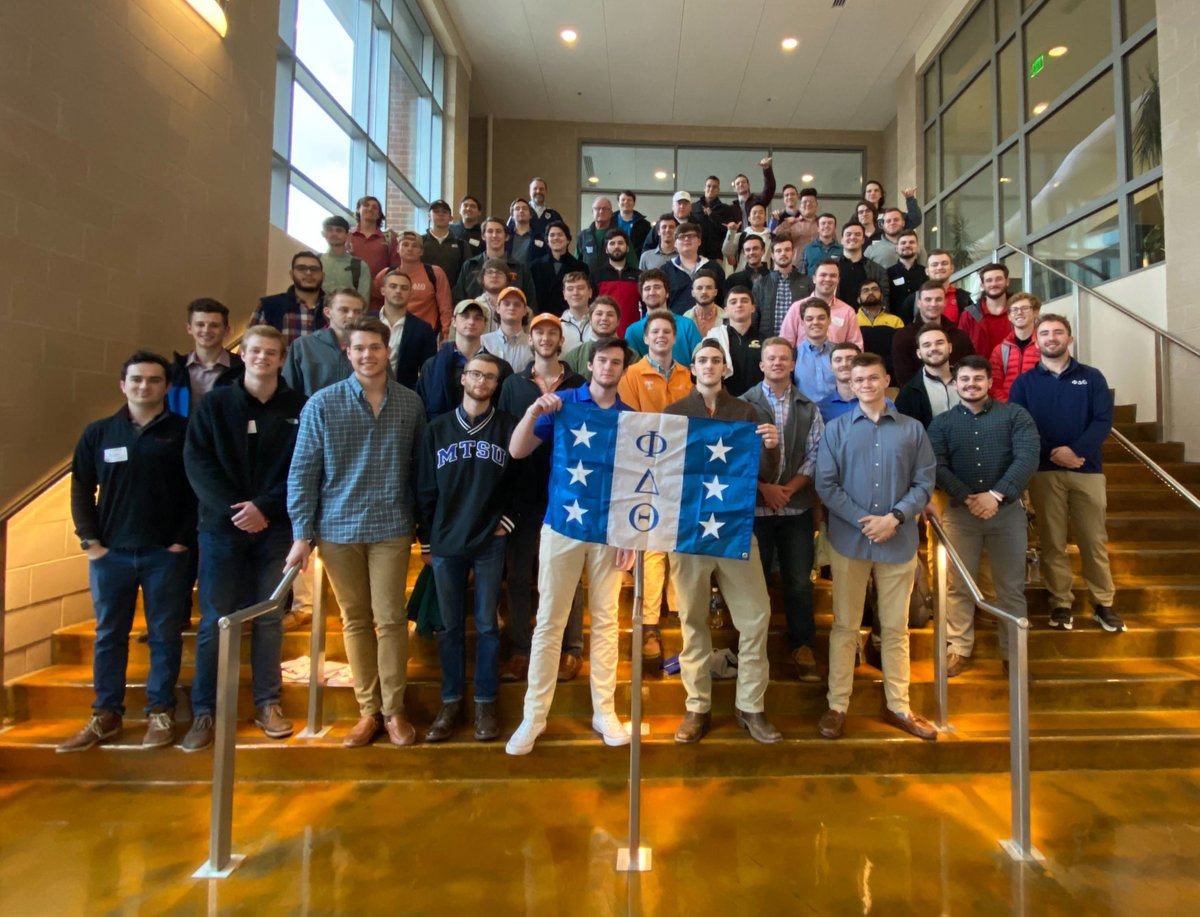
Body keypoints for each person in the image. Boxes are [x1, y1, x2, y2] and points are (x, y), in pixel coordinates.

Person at [285, 316, 427, 748]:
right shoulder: (322, 404)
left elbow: (419, 469)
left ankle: (394, 710)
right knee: (356, 620)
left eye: (375, 348)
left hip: (392, 525)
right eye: (359, 348)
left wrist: (423, 526)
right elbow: (303, 471)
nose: (368, 355)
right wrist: (301, 533)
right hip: (337, 528)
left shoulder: (410, 404)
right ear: (348, 353)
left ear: (388, 352)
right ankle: (369, 711)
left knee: (391, 618)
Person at [505, 339, 637, 755]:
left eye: (616, 362)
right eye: (603, 360)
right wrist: (533, 412)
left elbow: (636, 481)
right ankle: (534, 716)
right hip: (562, 525)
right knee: (550, 622)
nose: (609, 367)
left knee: (607, 622)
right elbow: (517, 450)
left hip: (609, 531)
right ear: (591, 364)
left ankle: (604, 711)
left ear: (623, 370)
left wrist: (630, 535)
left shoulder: (629, 417)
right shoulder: (563, 404)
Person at [61, 352, 195, 752]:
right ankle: (106, 714)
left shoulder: (183, 432)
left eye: (153, 380)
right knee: (109, 636)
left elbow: (196, 489)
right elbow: (81, 488)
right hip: (111, 555)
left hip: (164, 555)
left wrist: (181, 540)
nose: (144, 386)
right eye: (136, 379)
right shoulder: (99, 433)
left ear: (166, 387)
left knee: (164, 636)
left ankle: (160, 711)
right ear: (123, 385)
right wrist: (90, 541)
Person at [181, 325, 306, 751]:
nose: (262, 358)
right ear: (244, 355)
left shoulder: (299, 407)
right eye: (255, 351)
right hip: (221, 530)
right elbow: (197, 463)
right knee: (216, 619)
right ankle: (205, 711)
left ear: (281, 358)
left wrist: (264, 508)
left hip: (276, 530)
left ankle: (268, 703)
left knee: (269, 618)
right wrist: (237, 511)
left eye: (271, 352)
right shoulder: (216, 404)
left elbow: (303, 467)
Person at [814, 352, 938, 741]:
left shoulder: (912, 430)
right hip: (850, 542)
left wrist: (895, 518)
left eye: (873, 378)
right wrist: (864, 520)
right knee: (845, 626)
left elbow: (924, 482)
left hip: (898, 541)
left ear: (887, 381)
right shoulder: (835, 430)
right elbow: (826, 484)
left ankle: (899, 704)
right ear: (850, 385)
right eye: (859, 380)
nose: (866, 385)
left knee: (896, 628)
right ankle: (837, 704)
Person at [665, 340, 783, 744]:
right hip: (688, 530)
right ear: (693, 368)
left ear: (725, 368)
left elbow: (763, 471)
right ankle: (697, 707)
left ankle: (751, 705)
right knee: (692, 620)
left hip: (735, 527)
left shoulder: (746, 412)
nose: (709, 365)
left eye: (716, 360)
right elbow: (662, 469)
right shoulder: (675, 412)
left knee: (756, 616)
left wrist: (771, 447)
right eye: (702, 360)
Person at [415, 352, 520, 743]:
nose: (481, 381)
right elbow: (424, 488)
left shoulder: (508, 427)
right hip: (446, 540)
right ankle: (451, 701)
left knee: (489, 625)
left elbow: (523, 480)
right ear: (463, 378)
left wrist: (508, 520)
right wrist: (426, 539)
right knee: (450, 626)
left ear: (496, 385)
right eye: (475, 374)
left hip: (489, 541)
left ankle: (485, 702)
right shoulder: (437, 429)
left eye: (489, 377)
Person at [1010, 314, 1123, 632]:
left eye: (1058, 332)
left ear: (1069, 339)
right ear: (1036, 341)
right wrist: (1051, 453)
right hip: (1044, 472)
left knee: (1093, 540)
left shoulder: (1092, 378)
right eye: (1045, 333)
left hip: (1087, 470)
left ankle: (1103, 602)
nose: (1051, 338)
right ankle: (1061, 602)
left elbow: (1103, 420)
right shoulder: (1024, 383)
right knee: (1052, 541)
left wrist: (1075, 451)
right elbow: (1020, 425)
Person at [928, 356, 1040, 676]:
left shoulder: (1015, 416)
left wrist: (996, 494)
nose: (971, 384)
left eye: (978, 379)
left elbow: (1027, 457)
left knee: (1010, 587)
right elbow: (937, 464)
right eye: (964, 379)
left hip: (1007, 513)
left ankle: (1013, 653)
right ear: (955, 384)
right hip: (960, 514)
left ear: (990, 382)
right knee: (958, 585)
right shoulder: (941, 424)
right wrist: (967, 496)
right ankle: (959, 646)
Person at [497, 314, 588, 682]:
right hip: (524, 489)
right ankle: (521, 647)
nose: (546, 338)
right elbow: (505, 435)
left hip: (569, 491)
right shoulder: (512, 384)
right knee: (519, 574)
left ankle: (571, 648)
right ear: (530, 340)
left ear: (561, 340)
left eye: (553, 333)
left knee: (568, 574)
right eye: (539, 333)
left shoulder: (579, 383)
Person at [741, 337, 824, 682]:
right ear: (761, 365)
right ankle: (752, 648)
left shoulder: (808, 407)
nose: (777, 363)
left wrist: (789, 489)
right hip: (755, 511)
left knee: (799, 582)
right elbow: (736, 456)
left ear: (792, 364)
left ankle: (802, 645)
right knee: (753, 583)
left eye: (783, 358)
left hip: (796, 509)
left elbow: (816, 454)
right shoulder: (743, 404)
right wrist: (764, 489)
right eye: (770, 358)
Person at [618, 310, 695, 660]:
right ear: (646, 338)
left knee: (679, 543)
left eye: (667, 331)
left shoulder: (687, 375)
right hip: (646, 470)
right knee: (652, 545)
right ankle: (650, 623)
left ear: (675, 338)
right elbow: (630, 424)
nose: (661, 336)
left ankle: (680, 614)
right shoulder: (632, 375)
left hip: (681, 469)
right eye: (655, 331)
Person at [417, 300, 513, 419]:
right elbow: (421, 408)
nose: (471, 322)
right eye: (465, 316)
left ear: (485, 324)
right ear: (453, 321)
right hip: (440, 429)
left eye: (478, 318)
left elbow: (505, 411)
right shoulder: (432, 366)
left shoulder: (500, 368)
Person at [167, 298, 242, 418]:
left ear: (226, 331)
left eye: (214, 325)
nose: (206, 330)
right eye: (200, 324)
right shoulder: (173, 371)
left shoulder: (242, 370)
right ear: (189, 328)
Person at [891, 282, 976, 387]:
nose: (933, 304)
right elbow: (904, 379)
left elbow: (972, 369)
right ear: (919, 303)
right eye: (928, 299)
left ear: (945, 303)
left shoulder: (960, 337)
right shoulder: (903, 337)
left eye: (938, 299)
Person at [282, 288, 364, 396]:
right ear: (328, 312)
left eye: (357, 312)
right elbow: (288, 391)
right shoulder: (303, 346)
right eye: (344, 310)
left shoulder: (368, 348)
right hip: (312, 406)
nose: (351, 316)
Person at [454, 217, 538, 309]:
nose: (494, 235)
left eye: (498, 231)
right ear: (483, 236)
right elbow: (458, 300)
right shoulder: (470, 266)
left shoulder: (520, 268)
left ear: (506, 237)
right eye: (490, 231)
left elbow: (530, 304)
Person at [625, 269, 703, 366]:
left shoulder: (687, 325)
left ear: (667, 293)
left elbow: (701, 360)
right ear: (642, 296)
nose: (652, 292)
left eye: (657, 287)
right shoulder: (632, 331)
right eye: (647, 289)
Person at [250, 251, 328, 347]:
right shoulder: (269, 306)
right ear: (291, 274)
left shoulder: (333, 308)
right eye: (301, 268)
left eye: (314, 269)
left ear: (323, 276)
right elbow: (249, 346)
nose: (309, 273)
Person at [779, 260, 863, 347]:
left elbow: (856, 346)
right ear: (814, 279)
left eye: (833, 276)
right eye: (823, 275)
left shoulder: (848, 312)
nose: (827, 279)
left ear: (838, 280)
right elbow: (785, 344)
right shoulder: (797, 308)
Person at [379, 269, 439, 390]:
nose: (398, 291)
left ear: (411, 293)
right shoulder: (366, 321)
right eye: (393, 286)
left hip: (403, 393)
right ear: (383, 290)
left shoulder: (423, 329)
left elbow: (429, 371)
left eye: (404, 288)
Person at [895, 324, 961, 428]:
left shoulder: (969, 382)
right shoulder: (908, 394)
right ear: (919, 353)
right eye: (927, 345)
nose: (934, 348)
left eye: (939, 343)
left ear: (950, 348)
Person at [388, 231, 452, 336]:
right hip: (394, 333)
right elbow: (375, 302)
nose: (410, 249)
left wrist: (446, 334)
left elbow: (445, 308)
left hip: (427, 334)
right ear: (397, 249)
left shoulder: (435, 273)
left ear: (421, 251)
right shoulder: (386, 274)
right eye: (405, 245)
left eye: (415, 246)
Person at [706, 285, 764, 396]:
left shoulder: (765, 341)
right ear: (726, 311)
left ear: (753, 308)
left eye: (744, 301)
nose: (739, 305)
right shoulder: (714, 339)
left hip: (757, 402)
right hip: (724, 402)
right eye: (733, 302)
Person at [753, 236, 813, 337]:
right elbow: (754, 317)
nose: (783, 253)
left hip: (798, 341)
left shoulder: (807, 282)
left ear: (793, 253)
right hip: (768, 341)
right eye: (778, 251)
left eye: (787, 250)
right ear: (772, 255)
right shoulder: (760, 284)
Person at [663, 222, 727, 314]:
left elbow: (722, 298)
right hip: (677, 321)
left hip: (710, 320)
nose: (686, 239)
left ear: (699, 241)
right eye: (681, 236)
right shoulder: (665, 270)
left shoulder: (714, 267)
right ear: (675, 243)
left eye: (691, 236)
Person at [989, 292, 1042, 402]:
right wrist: (1009, 407)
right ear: (1009, 316)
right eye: (1014, 310)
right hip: (1008, 408)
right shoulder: (1000, 350)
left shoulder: (1045, 345)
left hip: (1039, 407)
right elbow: (994, 385)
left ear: (1035, 312)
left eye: (1025, 308)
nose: (1019, 312)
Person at [347, 196, 397, 309]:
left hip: (379, 299)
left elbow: (394, 269)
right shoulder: (347, 236)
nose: (370, 209)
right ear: (358, 209)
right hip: (351, 295)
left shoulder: (389, 239)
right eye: (366, 205)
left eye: (375, 207)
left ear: (379, 214)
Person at [530, 220, 588, 317]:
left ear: (568, 239)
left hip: (570, 318)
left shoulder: (581, 267)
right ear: (547, 241)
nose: (556, 238)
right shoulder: (535, 266)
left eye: (560, 235)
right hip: (542, 318)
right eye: (552, 235)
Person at [958, 262, 1014, 360]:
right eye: (989, 280)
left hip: (1013, 369)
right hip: (979, 369)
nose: (994, 284)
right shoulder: (969, 315)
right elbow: (961, 348)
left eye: (999, 279)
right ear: (982, 285)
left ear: (1007, 281)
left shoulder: (1017, 312)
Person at [591, 228, 641, 334]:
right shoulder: (596, 275)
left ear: (627, 248)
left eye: (620, 243)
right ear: (606, 249)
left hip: (632, 334)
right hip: (604, 334)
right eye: (612, 243)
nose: (616, 246)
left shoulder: (639, 275)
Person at [901, 250, 972, 324]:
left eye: (944, 263)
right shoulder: (913, 300)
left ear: (952, 268)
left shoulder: (965, 299)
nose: (939, 267)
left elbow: (974, 325)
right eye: (934, 265)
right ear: (927, 271)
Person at [790, 298, 839, 404]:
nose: (815, 322)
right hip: (804, 411)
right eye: (809, 319)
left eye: (821, 318)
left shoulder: (840, 353)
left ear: (829, 321)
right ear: (802, 323)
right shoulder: (793, 355)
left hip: (838, 411)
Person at [565, 297, 622, 379]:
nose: (604, 318)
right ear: (590, 320)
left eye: (610, 315)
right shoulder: (573, 357)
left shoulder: (631, 355)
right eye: (599, 314)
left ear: (618, 321)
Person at [319, 215, 372, 304]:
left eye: (339, 230)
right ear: (323, 233)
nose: (334, 234)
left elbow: (363, 302)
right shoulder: (315, 262)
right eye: (329, 230)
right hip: (318, 312)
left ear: (348, 235)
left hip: (350, 311)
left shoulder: (360, 266)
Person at [836, 223, 890, 309]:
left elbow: (884, 298)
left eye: (857, 234)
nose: (852, 237)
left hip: (868, 316)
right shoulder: (830, 268)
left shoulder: (878, 270)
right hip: (837, 316)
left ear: (863, 240)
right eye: (848, 234)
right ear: (842, 240)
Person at [856, 279, 905, 373]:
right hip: (860, 371)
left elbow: (900, 350)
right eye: (866, 290)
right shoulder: (852, 320)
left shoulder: (895, 321)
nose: (870, 292)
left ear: (882, 297)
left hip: (889, 373)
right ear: (858, 299)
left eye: (875, 289)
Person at [481, 286, 533, 373]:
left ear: (525, 311)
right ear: (498, 308)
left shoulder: (533, 343)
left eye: (517, 304)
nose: (511, 307)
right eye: (506, 304)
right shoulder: (484, 341)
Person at [816, 342, 865, 423]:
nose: (844, 364)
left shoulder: (880, 403)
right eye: (838, 360)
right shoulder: (820, 408)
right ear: (831, 367)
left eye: (850, 359)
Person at [422, 199, 467, 288]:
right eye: (436, 211)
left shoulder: (461, 244)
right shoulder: (420, 242)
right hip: (424, 292)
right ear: (429, 216)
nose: (440, 214)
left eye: (444, 212)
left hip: (452, 293)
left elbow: (466, 273)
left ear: (451, 218)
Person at [722, 202, 772, 272]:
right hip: (742, 274)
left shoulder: (772, 237)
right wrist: (731, 232)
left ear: (765, 218)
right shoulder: (741, 236)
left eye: (761, 213)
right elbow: (726, 251)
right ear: (749, 218)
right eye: (754, 213)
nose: (757, 215)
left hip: (765, 276)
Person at [728, 159, 776, 227]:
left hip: (758, 233)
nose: (741, 184)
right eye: (738, 183)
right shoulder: (731, 209)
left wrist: (766, 169)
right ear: (734, 189)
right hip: (739, 234)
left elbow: (769, 188)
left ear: (749, 185)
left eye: (743, 182)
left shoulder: (759, 201)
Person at [771, 185, 819, 252]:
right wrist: (786, 223)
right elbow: (774, 238)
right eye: (805, 202)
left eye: (811, 201)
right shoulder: (790, 222)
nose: (808, 204)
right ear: (800, 205)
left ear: (817, 204)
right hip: (797, 258)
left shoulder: (823, 224)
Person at [576, 196, 616, 274]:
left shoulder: (620, 235)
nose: (601, 211)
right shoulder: (583, 235)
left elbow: (632, 263)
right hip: (588, 279)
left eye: (605, 209)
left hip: (612, 279)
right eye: (597, 208)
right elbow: (576, 262)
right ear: (592, 212)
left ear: (611, 213)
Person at [886, 230, 927, 306]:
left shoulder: (926, 273)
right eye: (903, 243)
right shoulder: (887, 273)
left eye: (911, 242)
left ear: (917, 247)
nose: (907, 245)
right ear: (896, 248)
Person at [557, 270, 593, 353]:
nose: (575, 293)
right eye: (570, 289)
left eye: (580, 288)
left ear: (590, 292)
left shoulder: (600, 323)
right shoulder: (557, 326)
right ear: (564, 294)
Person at [682, 270, 725, 337]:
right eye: (699, 288)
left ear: (715, 292)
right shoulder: (685, 319)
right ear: (692, 293)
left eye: (709, 288)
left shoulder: (727, 318)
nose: (704, 291)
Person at [524, 176, 565, 243]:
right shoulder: (520, 213)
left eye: (541, 189)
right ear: (530, 191)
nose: (538, 191)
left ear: (546, 192)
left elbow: (563, 237)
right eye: (535, 188)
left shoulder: (554, 215)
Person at [506, 198, 541, 264]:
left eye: (525, 208)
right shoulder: (506, 237)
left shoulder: (540, 237)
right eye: (517, 209)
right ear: (512, 216)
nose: (521, 211)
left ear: (530, 215)